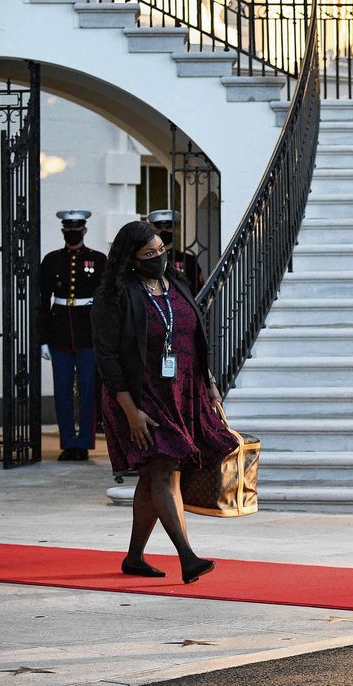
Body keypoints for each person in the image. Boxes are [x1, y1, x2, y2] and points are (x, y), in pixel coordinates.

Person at [91, 220, 236, 584]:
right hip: (139, 398)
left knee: (153, 476)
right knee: (162, 471)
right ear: (131, 259)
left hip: (182, 393)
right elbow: (107, 359)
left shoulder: (178, 285)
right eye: (149, 254)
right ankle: (187, 556)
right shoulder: (115, 295)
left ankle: (135, 557)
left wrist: (210, 385)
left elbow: (196, 340)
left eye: (161, 250)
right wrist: (131, 412)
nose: (159, 257)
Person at [39, 210, 107, 461]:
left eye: (77, 228)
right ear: (63, 231)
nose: (73, 233)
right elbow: (42, 301)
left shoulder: (98, 260)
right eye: (68, 229)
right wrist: (42, 339)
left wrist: (104, 335)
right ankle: (68, 443)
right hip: (59, 334)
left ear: (85, 230)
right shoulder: (52, 260)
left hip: (88, 333)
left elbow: (106, 300)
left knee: (89, 390)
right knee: (63, 391)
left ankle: (84, 442)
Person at [147, 209, 204, 293]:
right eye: (159, 227)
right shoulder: (148, 259)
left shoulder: (189, 260)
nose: (164, 230)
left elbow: (197, 290)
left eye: (168, 227)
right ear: (154, 231)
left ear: (176, 230)